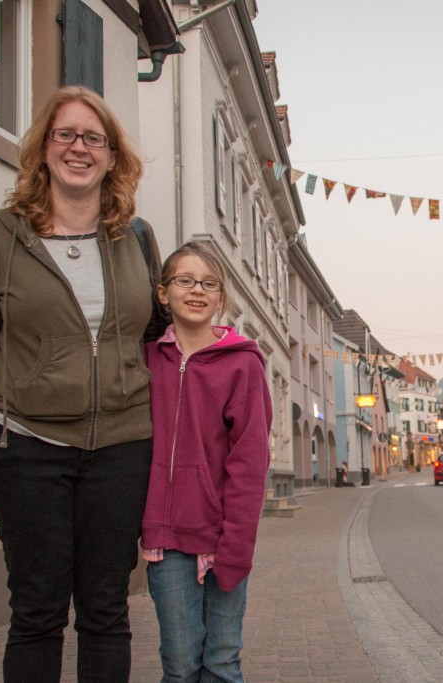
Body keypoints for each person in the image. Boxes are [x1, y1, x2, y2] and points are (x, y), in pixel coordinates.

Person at [0, 86, 163, 681]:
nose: (79, 148)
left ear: (112, 157)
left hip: (121, 447)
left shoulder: (136, 239)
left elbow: (161, 340)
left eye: (94, 138)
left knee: (106, 610)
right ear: (42, 149)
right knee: (37, 613)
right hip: (28, 446)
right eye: (64, 135)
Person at [141, 241, 272, 682]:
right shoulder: (146, 359)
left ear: (221, 298)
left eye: (209, 283)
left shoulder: (243, 364)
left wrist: (237, 543)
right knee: (178, 665)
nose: (197, 291)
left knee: (221, 662)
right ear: (164, 293)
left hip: (222, 536)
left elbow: (250, 463)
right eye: (185, 280)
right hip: (166, 538)